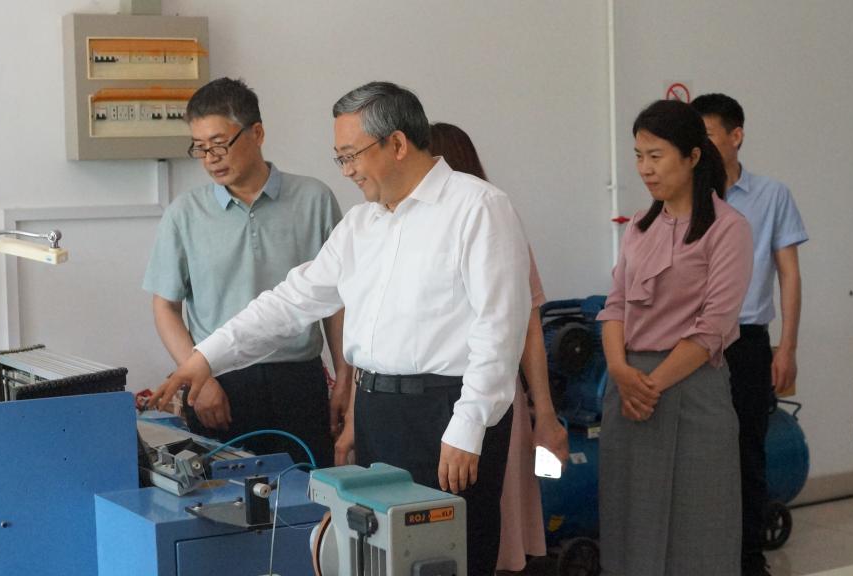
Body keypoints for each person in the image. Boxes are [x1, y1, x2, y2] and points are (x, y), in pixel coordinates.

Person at [150, 81, 532, 576]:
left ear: (397, 144)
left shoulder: (477, 207)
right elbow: (290, 302)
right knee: (378, 557)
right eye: (340, 158)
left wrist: (470, 424)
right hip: (378, 413)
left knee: (445, 558)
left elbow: (499, 329)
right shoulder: (361, 224)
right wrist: (205, 358)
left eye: (351, 155)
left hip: (445, 413)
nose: (347, 170)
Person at [142, 77, 351, 467]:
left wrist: (344, 375)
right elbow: (165, 306)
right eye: (200, 148)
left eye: (219, 144)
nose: (211, 158)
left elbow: (336, 300)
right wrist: (200, 377)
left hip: (298, 381)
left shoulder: (314, 199)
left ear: (257, 133)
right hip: (219, 384)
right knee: (222, 495)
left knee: (306, 491)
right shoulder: (185, 213)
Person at [598, 99, 752, 576]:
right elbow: (615, 305)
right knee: (630, 520)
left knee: (698, 524)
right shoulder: (639, 227)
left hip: (691, 387)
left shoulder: (728, 229)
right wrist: (620, 371)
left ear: (692, 157)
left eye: (656, 156)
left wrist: (649, 386)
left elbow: (713, 327)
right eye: (638, 156)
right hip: (629, 387)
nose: (645, 168)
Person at [427, 122, 569, 572]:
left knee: (494, 530)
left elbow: (528, 327)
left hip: (492, 401)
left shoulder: (493, 221)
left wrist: (545, 414)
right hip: (427, 403)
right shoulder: (408, 229)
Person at [692, 93, 808, 576]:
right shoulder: (686, 196)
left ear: (736, 136)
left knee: (747, 451)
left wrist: (788, 347)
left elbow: (789, 275)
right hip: (692, 345)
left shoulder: (772, 195)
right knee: (697, 453)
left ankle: (748, 557)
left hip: (747, 341)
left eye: (707, 135)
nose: (699, 146)